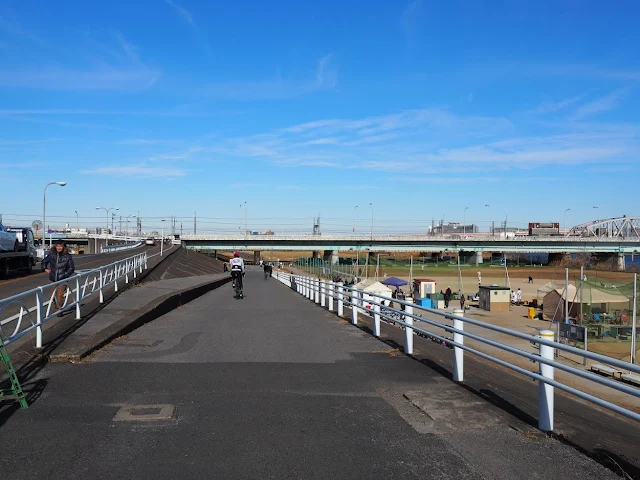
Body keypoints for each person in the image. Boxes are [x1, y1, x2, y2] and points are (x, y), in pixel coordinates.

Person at [42, 240, 75, 315]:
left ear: (64, 247)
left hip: (63, 279)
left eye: (60, 246)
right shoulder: (52, 254)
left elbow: (71, 268)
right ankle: (57, 306)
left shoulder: (67, 256)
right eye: (57, 246)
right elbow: (44, 261)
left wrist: (64, 275)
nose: (59, 247)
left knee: (60, 295)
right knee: (54, 295)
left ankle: (58, 310)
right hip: (53, 279)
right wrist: (44, 268)